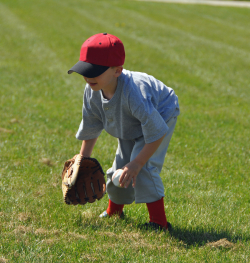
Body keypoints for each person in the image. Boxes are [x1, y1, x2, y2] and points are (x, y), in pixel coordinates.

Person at [68, 33, 180, 231]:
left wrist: (137, 163)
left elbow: (156, 130)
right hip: (130, 121)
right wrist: (82, 160)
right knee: (119, 168)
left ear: (117, 71)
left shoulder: (134, 93)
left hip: (161, 113)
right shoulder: (93, 89)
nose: (87, 77)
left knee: (142, 168)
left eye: (94, 71)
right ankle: (114, 211)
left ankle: (159, 222)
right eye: (84, 70)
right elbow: (91, 125)